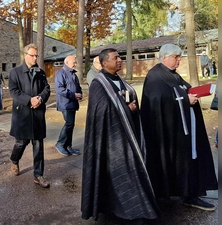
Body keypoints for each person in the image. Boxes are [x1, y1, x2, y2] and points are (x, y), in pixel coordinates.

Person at [81, 48, 159, 221]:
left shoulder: (120, 80)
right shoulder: (98, 84)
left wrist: (131, 106)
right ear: (104, 63)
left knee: (131, 173)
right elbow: (99, 112)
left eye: (120, 57)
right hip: (111, 142)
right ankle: (127, 212)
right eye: (115, 58)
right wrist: (125, 108)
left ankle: (136, 210)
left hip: (128, 137)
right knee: (121, 177)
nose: (119, 60)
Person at [141, 44, 218, 211]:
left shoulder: (173, 75)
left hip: (182, 127)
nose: (178, 60)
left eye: (179, 57)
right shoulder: (155, 76)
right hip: (168, 131)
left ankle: (190, 192)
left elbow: (183, 89)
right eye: (176, 57)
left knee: (190, 158)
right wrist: (185, 100)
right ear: (164, 58)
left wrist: (197, 92)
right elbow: (158, 100)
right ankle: (180, 194)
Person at [8, 43, 51, 188]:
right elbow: (13, 91)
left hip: (38, 113)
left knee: (38, 145)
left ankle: (38, 175)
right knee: (21, 142)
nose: (34, 58)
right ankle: (14, 159)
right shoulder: (16, 72)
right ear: (25, 55)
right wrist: (29, 100)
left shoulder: (40, 72)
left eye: (36, 55)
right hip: (23, 114)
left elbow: (46, 88)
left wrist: (40, 98)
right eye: (32, 55)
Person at [54, 55, 82, 156]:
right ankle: (60, 144)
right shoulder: (61, 74)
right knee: (69, 124)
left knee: (71, 125)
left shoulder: (73, 74)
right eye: (73, 62)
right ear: (67, 62)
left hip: (73, 103)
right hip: (65, 103)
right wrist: (73, 95)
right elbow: (60, 89)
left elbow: (77, 86)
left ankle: (68, 146)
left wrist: (79, 94)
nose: (75, 64)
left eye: (75, 62)